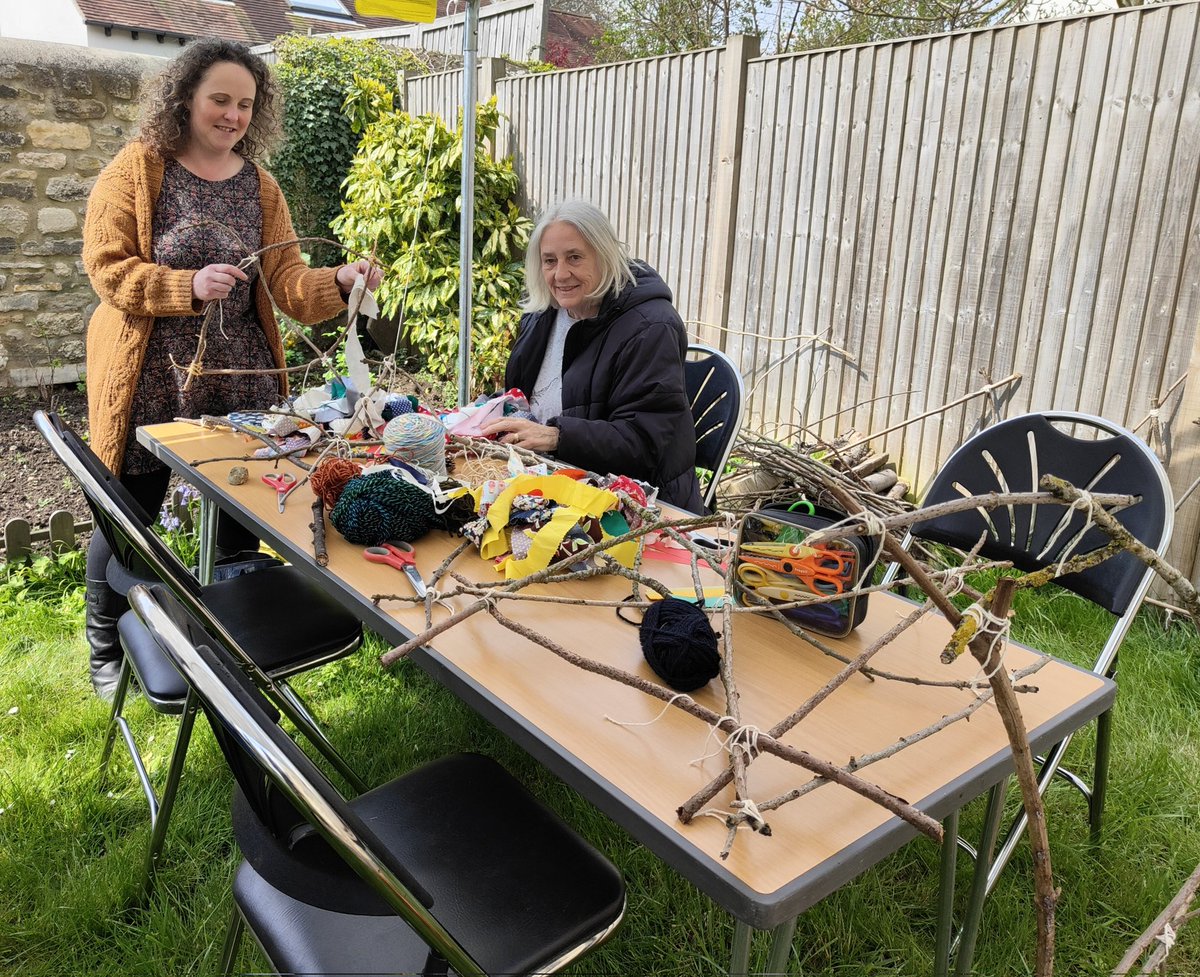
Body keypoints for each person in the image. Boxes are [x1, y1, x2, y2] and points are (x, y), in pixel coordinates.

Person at [80, 39, 381, 698]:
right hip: (151, 377)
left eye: (245, 104)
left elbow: (290, 285)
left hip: (241, 385)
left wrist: (339, 279)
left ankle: (233, 636)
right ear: (185, 97)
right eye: (220, 99)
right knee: (127, 514)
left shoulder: (260, 186)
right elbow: (106, 267)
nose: (233, 115)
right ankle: (105, 640)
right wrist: (185, 285)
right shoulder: (137, 169)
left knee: (243, 508)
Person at [483, 200, 702, 512]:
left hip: (634, 506)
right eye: (549, 261)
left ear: (604, 255)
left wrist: (556, 437)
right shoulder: (542, 313)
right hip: (549, 481)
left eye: (574, 257)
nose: (560, 274)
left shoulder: (652, 327)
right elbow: (523, 398)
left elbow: (643, 443)